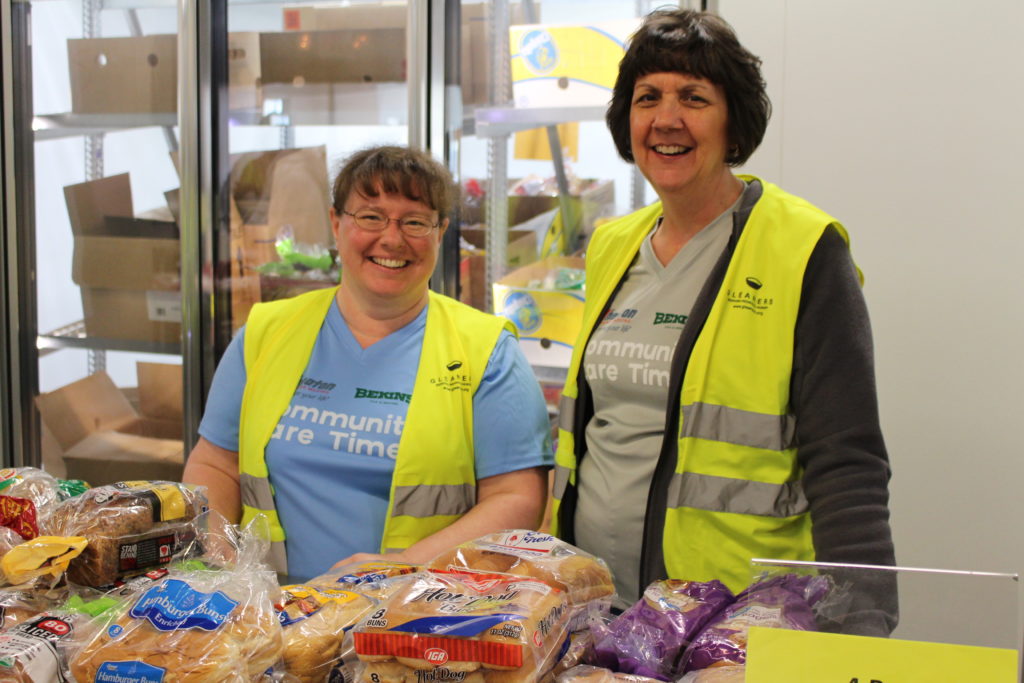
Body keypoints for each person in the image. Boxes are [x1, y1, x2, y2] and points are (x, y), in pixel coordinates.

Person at [550, 9, 896, 629]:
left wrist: (862, 626)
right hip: (597, 607)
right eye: (647, 96)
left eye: (694, 97)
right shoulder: (611, 245)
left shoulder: (803, 248)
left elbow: (848, 460)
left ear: (733, 119)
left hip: (735, 621)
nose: (666, 119)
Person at [184, 145, 552, 580]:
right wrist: (220, 552)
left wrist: (401, 567)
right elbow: (214, 463)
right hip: (271, 615)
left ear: (441, 232)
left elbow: (517, 498)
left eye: (415, 222)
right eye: (371, 216)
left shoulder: (485, 350)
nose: (392, 239)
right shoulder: (267, 332)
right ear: (336, 223)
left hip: (414, 620)